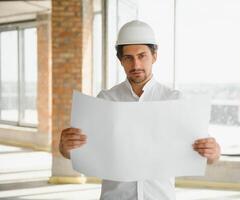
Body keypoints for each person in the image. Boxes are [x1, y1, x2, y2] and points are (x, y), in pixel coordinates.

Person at [59, 20, 221, 200]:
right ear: (120, 60)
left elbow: (209, 156)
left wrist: (214, 151)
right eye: (128, 57)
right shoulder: (106, 100)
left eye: (142, 55)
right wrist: (65, 147)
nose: (136, 65)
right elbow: (76, 152)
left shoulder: (174, 101)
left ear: (154, 56)